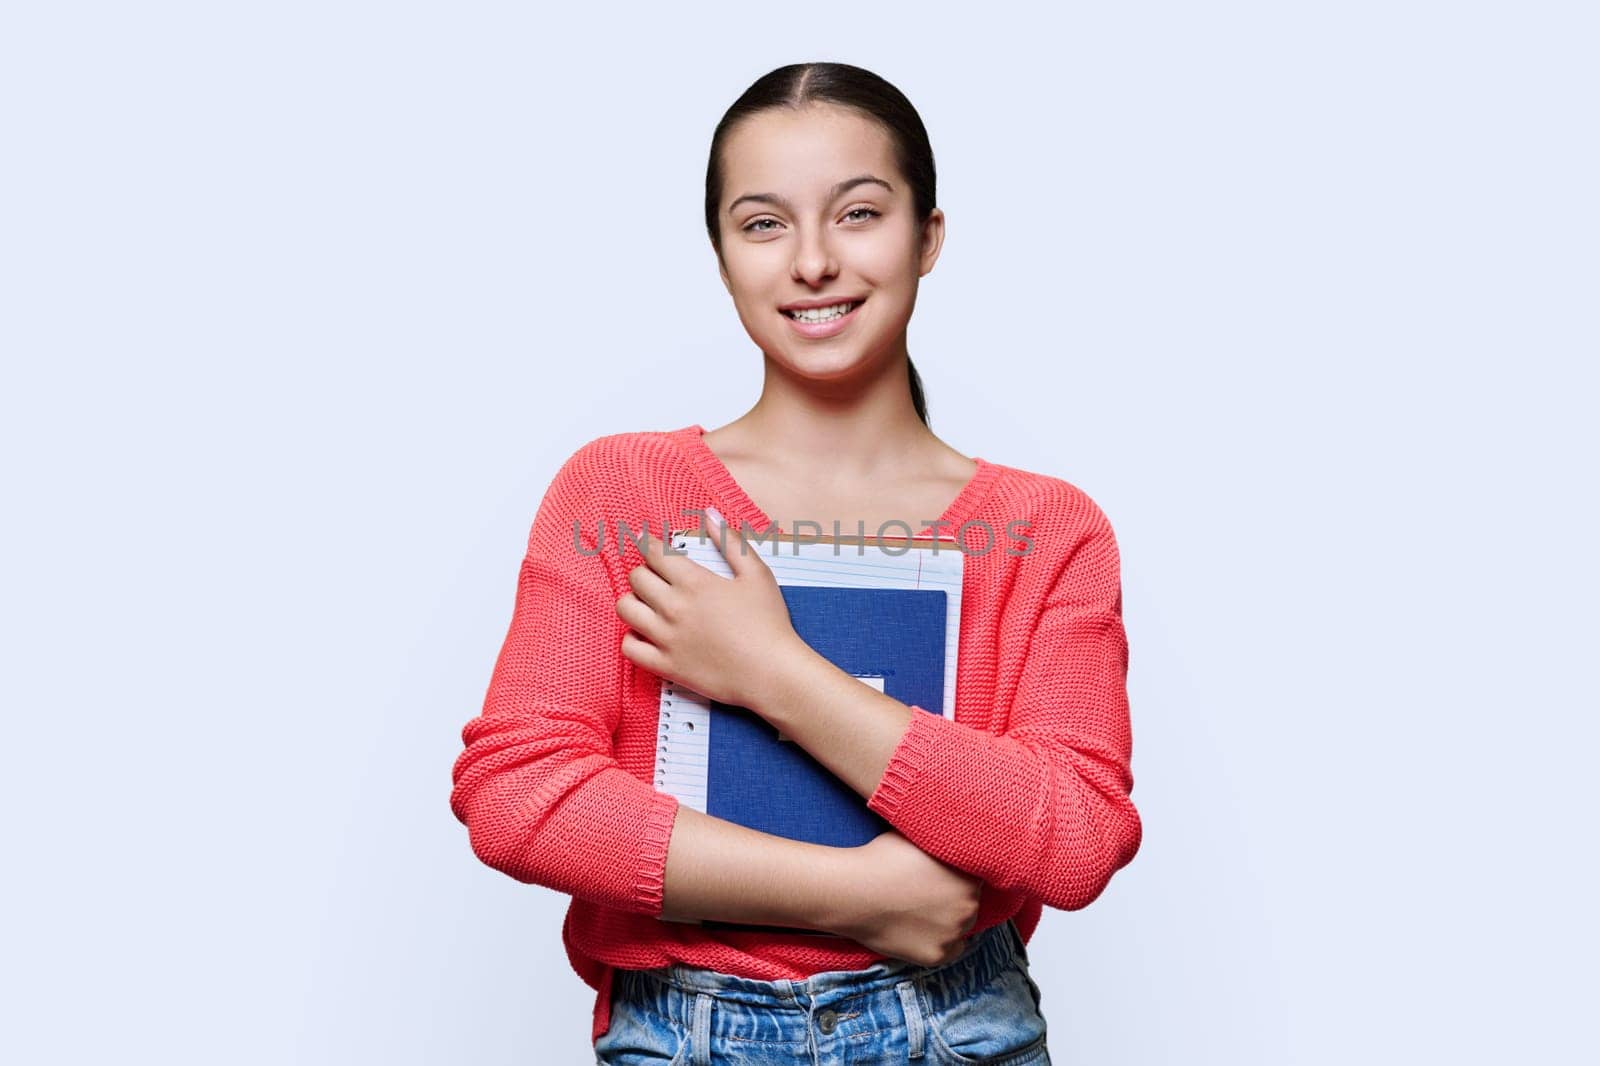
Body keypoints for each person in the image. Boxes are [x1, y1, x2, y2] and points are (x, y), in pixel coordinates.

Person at [448, 61, 1141, 1064]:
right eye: (763, 224)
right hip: (685, 1029)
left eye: (858, 213)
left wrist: (772, 672)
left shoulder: (1044, 529)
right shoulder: (622, 495)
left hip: (957, 1030)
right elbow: (520, 795)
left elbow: (1075, 837)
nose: (812, 261)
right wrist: (861, 894)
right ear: (722, 256)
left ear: (927, 237)